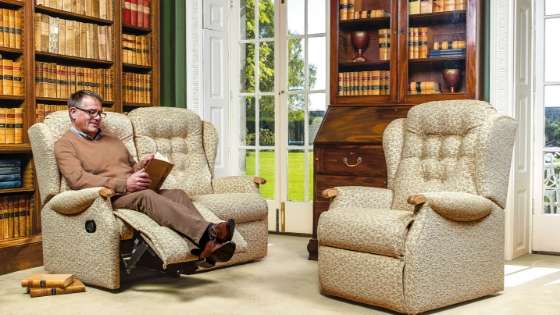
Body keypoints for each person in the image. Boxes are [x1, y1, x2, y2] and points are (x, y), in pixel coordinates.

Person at [54, 90, 235, 264]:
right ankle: (209, 233)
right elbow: (78, 180)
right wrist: (125, 184)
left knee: (178, 194)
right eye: (92, 112)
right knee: (146, 196)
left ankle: (204, 247)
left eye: (100, 113)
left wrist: (143, 165)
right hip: (109, 197)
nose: (98, 118)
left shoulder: (113, 140)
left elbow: (130, 167)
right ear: (73, 112)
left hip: (133, 190)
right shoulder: (64, 144)